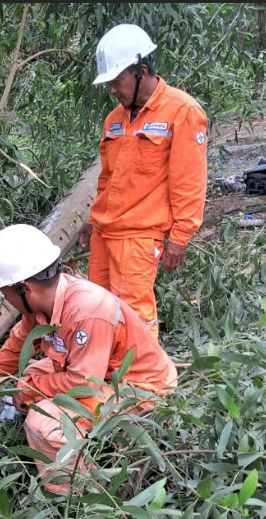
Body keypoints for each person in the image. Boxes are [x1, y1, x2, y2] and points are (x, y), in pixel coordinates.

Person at [0, 224, 177, 494]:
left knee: (42, 424)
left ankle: (80, 497)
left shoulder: (87, 310)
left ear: (24, 288)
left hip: (138, 386)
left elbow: (84, 383)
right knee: (32, 372)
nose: (5, 299)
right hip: (100, 369)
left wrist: (30, 390)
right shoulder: (43, 305)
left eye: (5, 292)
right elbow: (13, 352)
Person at [77, 24, 209, 338]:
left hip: (139, 235)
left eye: (116, 81)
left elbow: (189, 181)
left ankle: (143, 381)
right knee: (99, 307)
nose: (112, 90)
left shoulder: (183, 112)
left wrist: (180, 237)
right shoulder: (115, 119)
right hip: (106, 232)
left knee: (133, 314)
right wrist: (93, 220)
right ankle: (105, 371)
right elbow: (107, 178)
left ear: (142, 71)